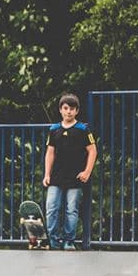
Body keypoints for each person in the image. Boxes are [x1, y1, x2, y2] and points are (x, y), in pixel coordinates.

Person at [43, 93, 97, 250]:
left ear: (77, 111)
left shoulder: (83, 129)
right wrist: (47, 174)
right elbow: (50, 153)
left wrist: (87, 171)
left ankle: (69, 241)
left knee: (71, 210)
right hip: (56, 176)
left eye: (72, 109)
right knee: (51, 207)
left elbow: (93, 151)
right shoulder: (54, 129)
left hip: (75, 177)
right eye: (65, 108)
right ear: (60, 110)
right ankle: (54, 241)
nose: (68, 112)